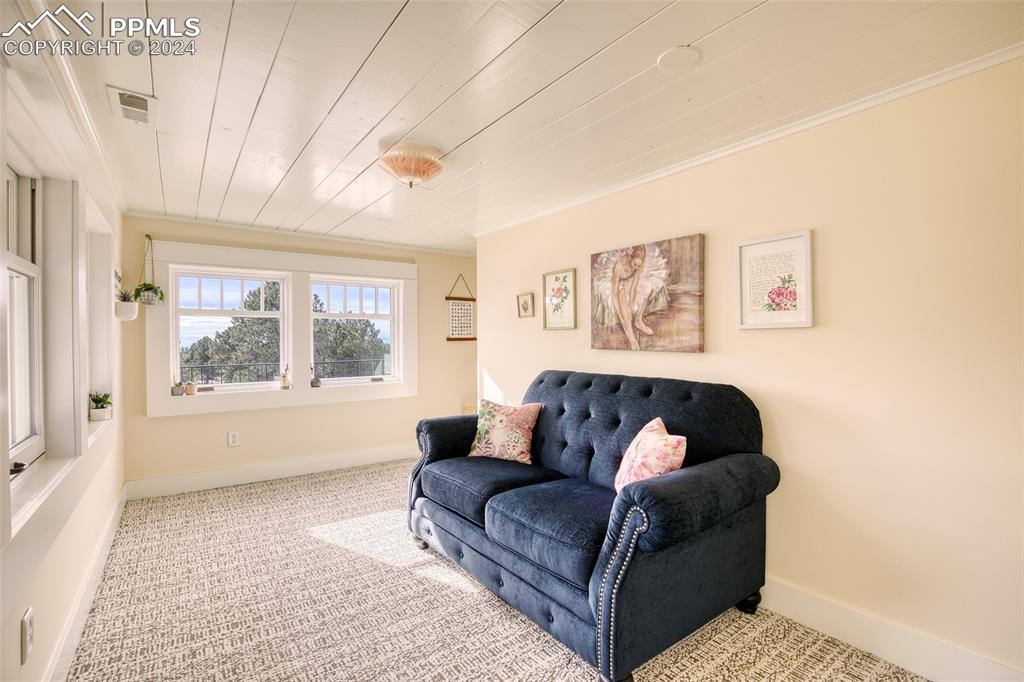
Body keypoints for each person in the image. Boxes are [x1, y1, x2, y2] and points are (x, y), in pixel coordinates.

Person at [593, 243, 669, 350]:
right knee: (622, 295)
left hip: (629, 281)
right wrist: (622, 315)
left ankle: (638, 320)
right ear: (630, 258)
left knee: (647, 289)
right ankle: (631, 336)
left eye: (639, 265)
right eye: (635, 264)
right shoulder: (620, 265)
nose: (637, 267)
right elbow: (614, 293)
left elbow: (634, 288)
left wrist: (630, 307)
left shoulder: (639, 264)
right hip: (615, 282)